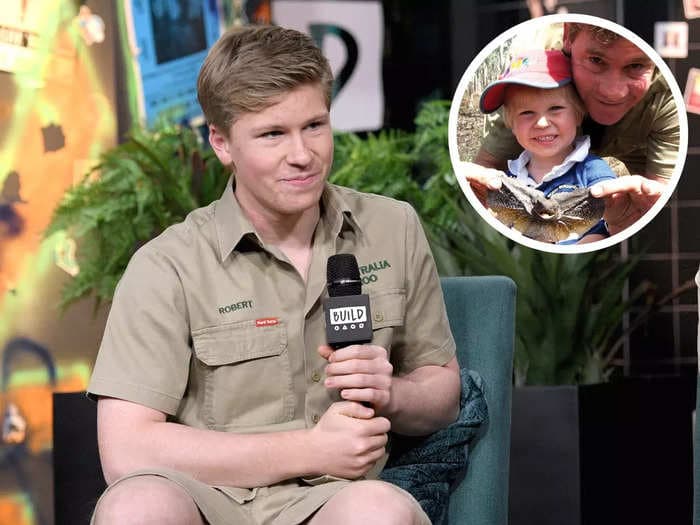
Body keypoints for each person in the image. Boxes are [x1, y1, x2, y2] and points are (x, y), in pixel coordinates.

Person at [87, 25, 460, 525]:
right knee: (135, 507)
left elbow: (442, 395)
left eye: (314, 126)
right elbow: (127, 448)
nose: (302, 155)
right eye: (272, 134)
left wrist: (392, 391)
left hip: (337, 499)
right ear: (221, 143)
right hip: (206, 498)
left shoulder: (392, 227)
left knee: (379, 511)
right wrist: (310, 449)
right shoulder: (167, 265)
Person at [463, 22, 680, 236]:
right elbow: (485, 175)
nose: (613, 91)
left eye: (635, 66)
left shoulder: (668, 93)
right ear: (567, 36)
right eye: (596, 60)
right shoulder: (531, 64)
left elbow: (655, 195)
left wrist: (616, 227)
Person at [478, 48, 617, 244]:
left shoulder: (593, 172)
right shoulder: (507, 181)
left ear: (578, 114)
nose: (542, 123)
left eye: (555, 109)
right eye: (527, 113)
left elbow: (606, 227)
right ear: (511, 126)